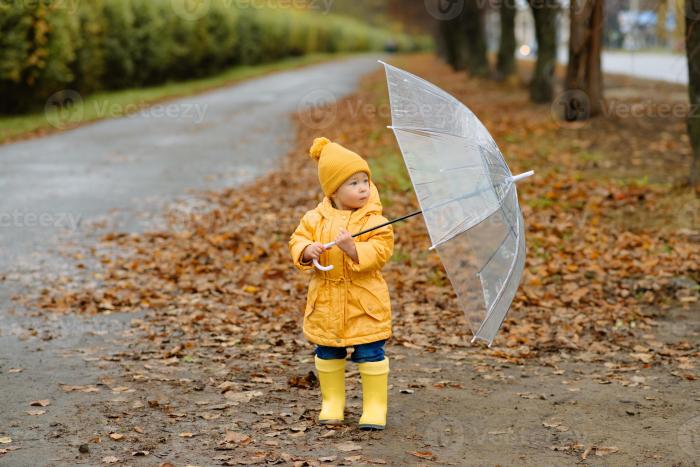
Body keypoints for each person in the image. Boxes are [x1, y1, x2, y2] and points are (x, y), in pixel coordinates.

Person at [288, 136, 394, 430]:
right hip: (326, 301)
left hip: (365, 302)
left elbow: (381, 252)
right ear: (334, 189)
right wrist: (307, 250)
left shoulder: (374, 219)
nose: (363, 188)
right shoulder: (314, 218)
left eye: (365, 181)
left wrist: (352, 249)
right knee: (327, 350)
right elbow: (298, 239)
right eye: (354, 183)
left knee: (370, 352)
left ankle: (374, 406)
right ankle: (333, 402)